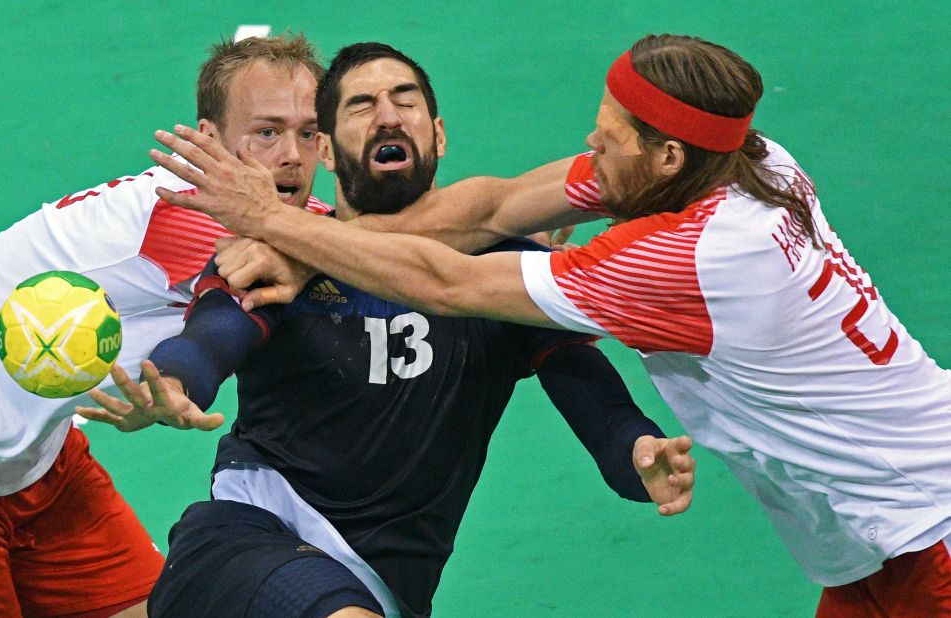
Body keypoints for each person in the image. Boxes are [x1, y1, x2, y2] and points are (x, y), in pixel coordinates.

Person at [149, 34, 951, 616]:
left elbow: (452, 280)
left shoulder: (689, 256)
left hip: (926, 529)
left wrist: (275, 224)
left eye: (610, 138)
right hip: (874, 545)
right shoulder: (749, 158)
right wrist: (309, 256)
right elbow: (490, 208)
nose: (588, 147)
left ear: (666, 157)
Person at [84, 42, 695, 618]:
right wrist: (174, 379)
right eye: (361, 105)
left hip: (383, 582)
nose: (387, 116)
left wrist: (636, 450)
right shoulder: (274, 259)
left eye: (405, 101)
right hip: (251, 529)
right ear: (325, 149)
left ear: (439, 135)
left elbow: (588, 390)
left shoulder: (501, 275)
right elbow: (215, 336)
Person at [0, 33, 329, 617]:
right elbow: (344, 259)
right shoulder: (183, 213)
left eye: (308, 132)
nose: (291, 156)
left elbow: (357, 242)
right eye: (266, 132)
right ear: (209, 143)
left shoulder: (297, 224)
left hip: (33, 455)